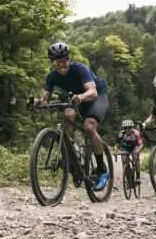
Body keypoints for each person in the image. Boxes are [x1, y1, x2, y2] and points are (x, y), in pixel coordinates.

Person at [36, 41, 110, 191]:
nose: (61, 63)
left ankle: (102, 170)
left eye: (63, 59)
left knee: (89, 127)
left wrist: (81, 97)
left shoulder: (80, 69)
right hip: (76, 99)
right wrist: (39, 102)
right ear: (52, 63)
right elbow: (46, 98)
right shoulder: (52, 77)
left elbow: (92, 91)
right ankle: (71, 158)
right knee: (67, 115)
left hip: (96, 97)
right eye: (57, 61)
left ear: (68, 58)